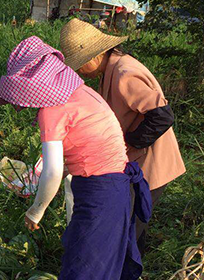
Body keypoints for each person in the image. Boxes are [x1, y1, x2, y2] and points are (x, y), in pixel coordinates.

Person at [0, 36, 151, 280]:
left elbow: (52, 173)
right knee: (92, 274)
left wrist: (35, 212)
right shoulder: (83, 93)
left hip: (101, 196)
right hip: (116, 191)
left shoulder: (51, 110)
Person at [59, 19, 185, 253]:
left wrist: (129, 142)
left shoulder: (124, 73)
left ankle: (122, 279)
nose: (77, 71)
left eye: (79, 65)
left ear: (94, 57)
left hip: (151, 163)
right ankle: (133, 272)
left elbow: (162, 116)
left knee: (128, 224)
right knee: (132, 221)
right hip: (138, 162)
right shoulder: (110, 70)